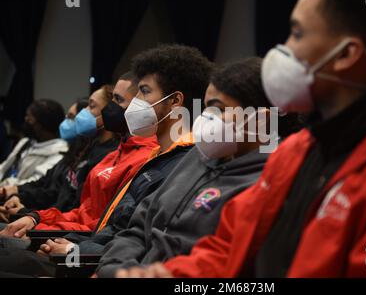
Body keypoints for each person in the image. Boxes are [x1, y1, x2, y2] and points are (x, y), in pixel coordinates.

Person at [132, 0, 366, 278]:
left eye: (297, 34)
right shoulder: (300, 150)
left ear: (347, 54)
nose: (281, 50)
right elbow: (228, 248)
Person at [0, 44, 213, 277]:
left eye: (144, 91)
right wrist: (45, 224)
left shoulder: (181, 166)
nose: (135, 102)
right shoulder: (157, 156)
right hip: (88, 252)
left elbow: (141, 243)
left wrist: (76, 250)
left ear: (174, 102)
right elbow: (106, 226)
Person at [94, 57, 303, 278]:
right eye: (205, 108)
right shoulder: (196, 157)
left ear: (260, 120)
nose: (205, 119)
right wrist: (115, 269)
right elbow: (137, 228)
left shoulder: (270, 181)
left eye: (218, 109)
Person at [0, 78, 159, 242]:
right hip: (64, 231)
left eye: (117, 100)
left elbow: (103, 229)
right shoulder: (98, 151)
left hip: (74, 245)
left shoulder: (138, 158)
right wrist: (34, 217)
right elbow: (81, 211)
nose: (110, 107)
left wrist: (38, 227)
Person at [0, 89, 119, 222]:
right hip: (45, 219)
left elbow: (72, 207)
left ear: (109, 111)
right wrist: (19, 196)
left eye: (91, 106)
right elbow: (51, 187)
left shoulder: (105, 156)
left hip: (55, 227)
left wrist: (26, 213)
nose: (81, 116)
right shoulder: (84, 150)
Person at [0, 99, 67, 187]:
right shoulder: (26, 142)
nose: (26, 120)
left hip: (21, 195)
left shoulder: (59, 151)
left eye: (29, 118)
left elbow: (36, 182)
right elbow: (4, 167)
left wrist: (7, 185)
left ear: (42, 124)